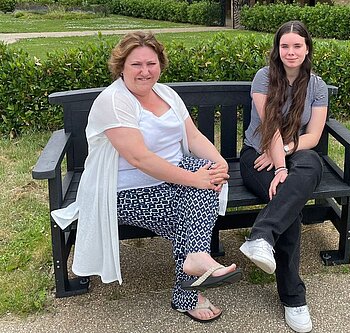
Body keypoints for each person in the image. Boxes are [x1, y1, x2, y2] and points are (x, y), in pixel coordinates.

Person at [50, 31, 242, 323]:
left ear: (160, 64)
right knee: (193, 207)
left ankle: (194, 262)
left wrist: (218, 162)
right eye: (136, 65)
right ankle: (191, 278)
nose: (145, 71)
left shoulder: (166, 93)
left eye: (151, 63)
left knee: (206, 178)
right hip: (123, 190)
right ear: (121, 67)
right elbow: (139, 158)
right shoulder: (114, 101)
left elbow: (192, 135)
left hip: (171, 176)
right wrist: (195, 179)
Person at [239, 21, 328, 333]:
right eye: (285, 46)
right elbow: (271, 126)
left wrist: (287, 153)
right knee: (287, 201)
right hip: (257, 155)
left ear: (307, 49)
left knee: (312, 163)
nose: (291, 52)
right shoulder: (264, 78)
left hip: (292, 151)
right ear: (277, 50)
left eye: (297, 46)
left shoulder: (316, 86)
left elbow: (313, 135)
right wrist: (279, 167)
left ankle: (261, 235)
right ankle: (294, 298)